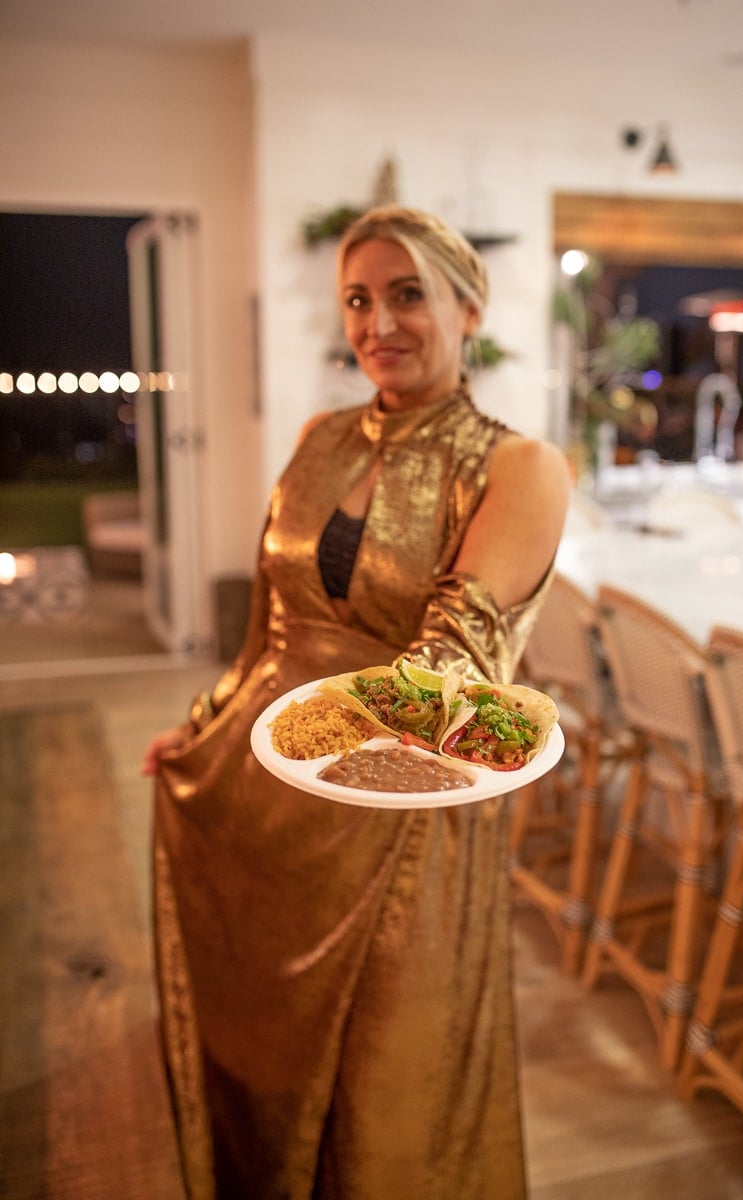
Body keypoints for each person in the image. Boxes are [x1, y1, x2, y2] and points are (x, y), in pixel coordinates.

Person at [142, 204, 570, 1200]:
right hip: (260, 791)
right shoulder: (317, 436)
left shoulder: (518, 468)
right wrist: (206, 726)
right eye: (358, 300)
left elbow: (451, 660)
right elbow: (270, 625)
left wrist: (323, 736)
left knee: (391, 1098)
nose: (379, 322)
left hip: (400, 817)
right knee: (263, 1058)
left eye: (407, 294)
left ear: (469, 308)